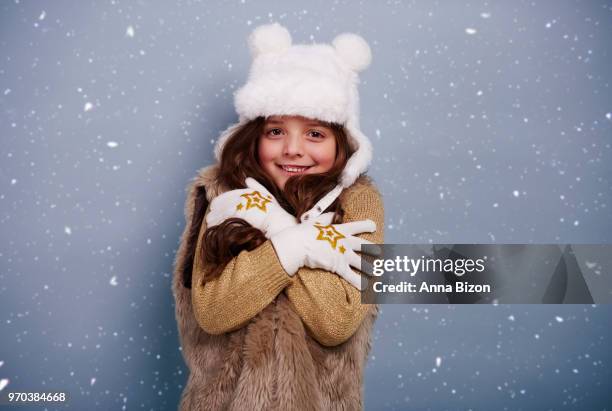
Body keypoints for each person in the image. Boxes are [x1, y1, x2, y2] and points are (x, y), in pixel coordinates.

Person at [172, 23, 384, 410]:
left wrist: (282, 229)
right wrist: (295, 247)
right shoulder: (223, 196)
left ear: (344, 143)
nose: (292, 150)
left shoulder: (358, 205)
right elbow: (215, 312)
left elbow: (335, 323)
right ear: (253, 135)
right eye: (275, 131)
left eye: (315, 134)